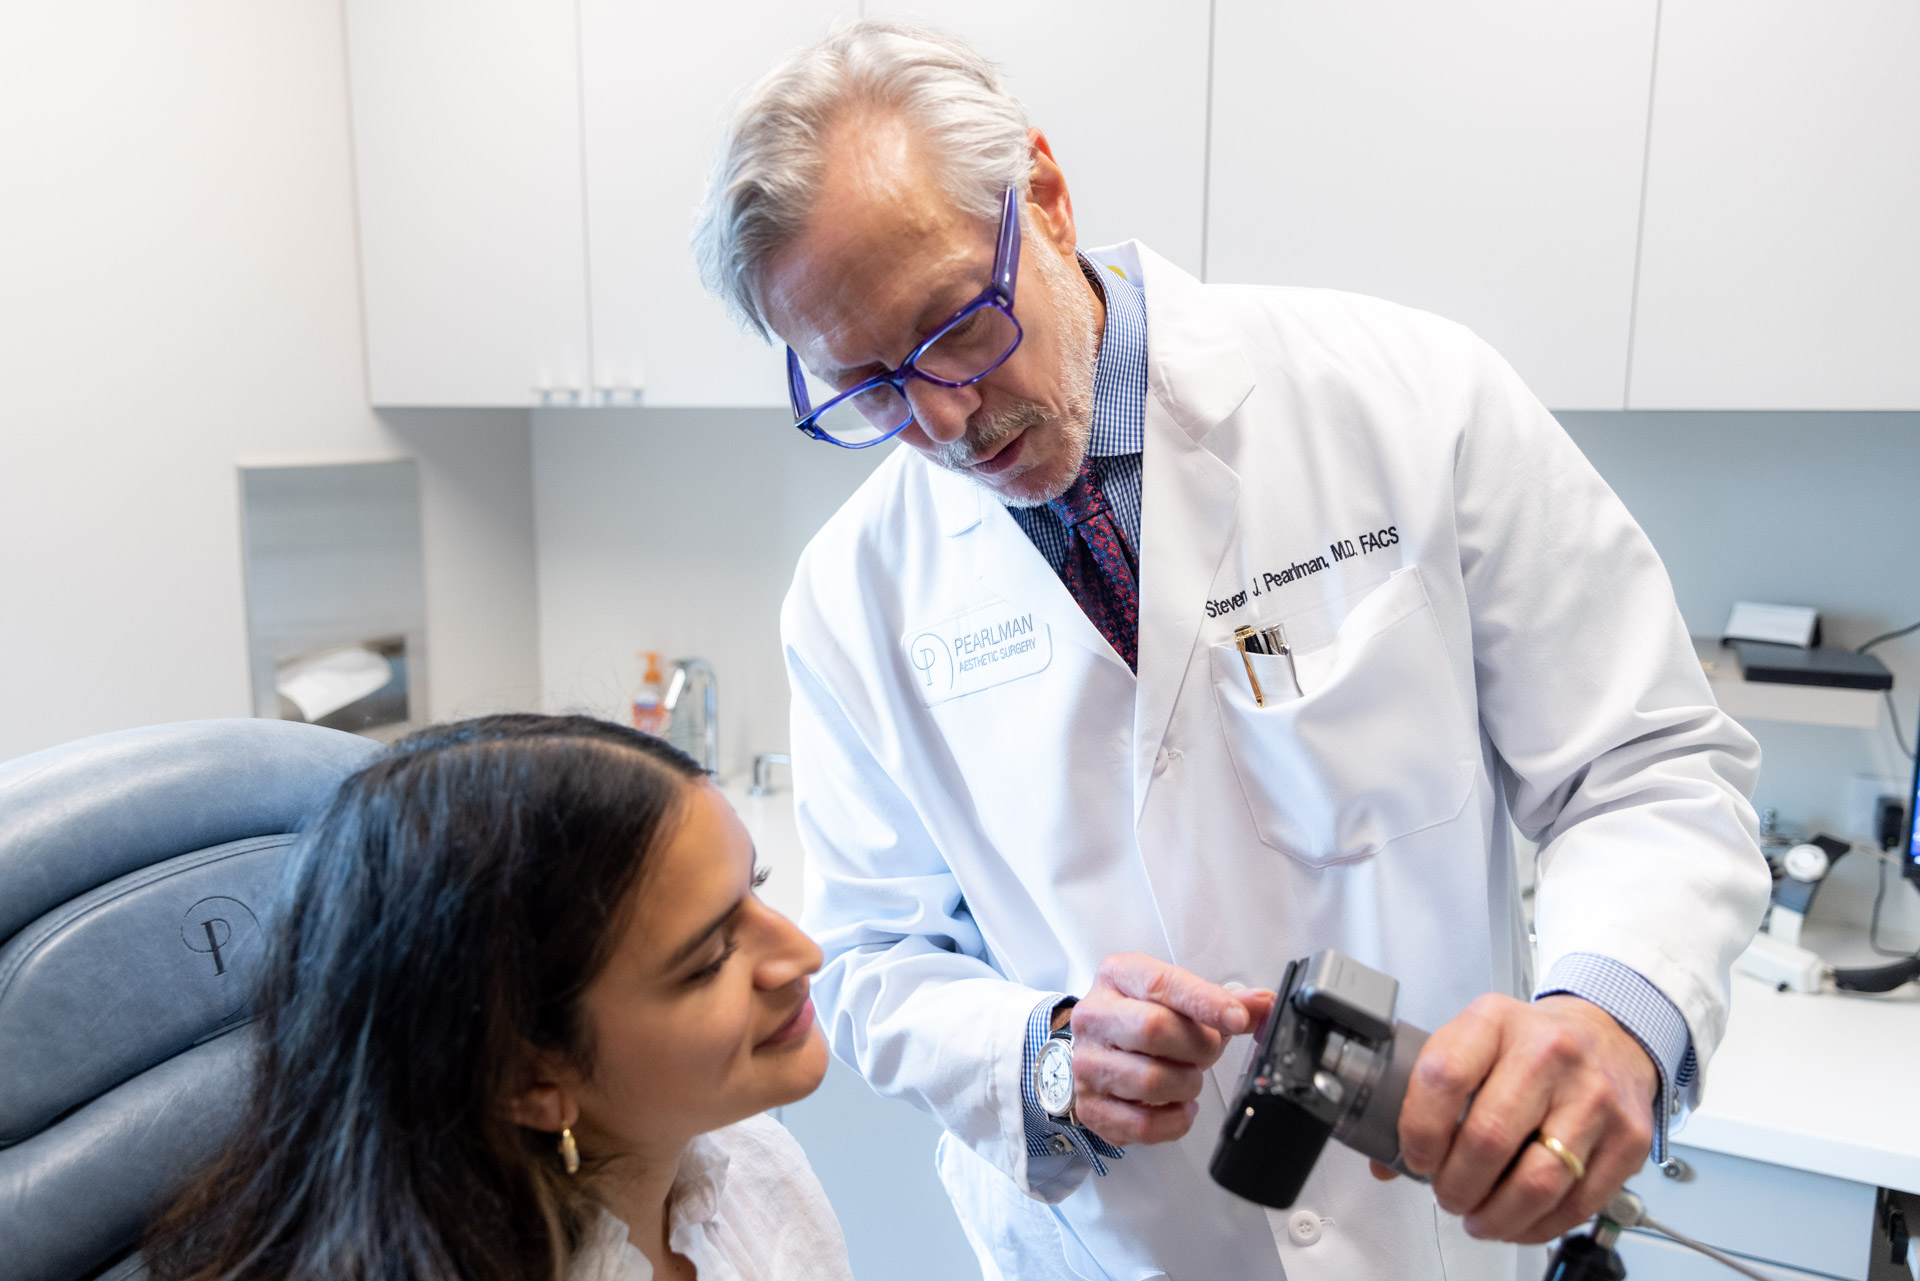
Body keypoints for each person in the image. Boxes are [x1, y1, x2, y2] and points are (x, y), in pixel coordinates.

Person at [693, 20, 1771, 1281]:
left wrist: (1610, 1016)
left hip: (1422, 1233)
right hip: (1108, 1253)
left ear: (1040, 191)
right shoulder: (851, 593)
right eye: (865, 385)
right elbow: (874, 959)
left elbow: (1645, 769)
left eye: (953, 326)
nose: (941, 418)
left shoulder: (1410, 400)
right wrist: (1044, 1058)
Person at [145, 714, 852, 1281]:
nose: (803, 954)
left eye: (753, 887)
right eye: (710, 960)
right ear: (531, 1078)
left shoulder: (753, 1164)